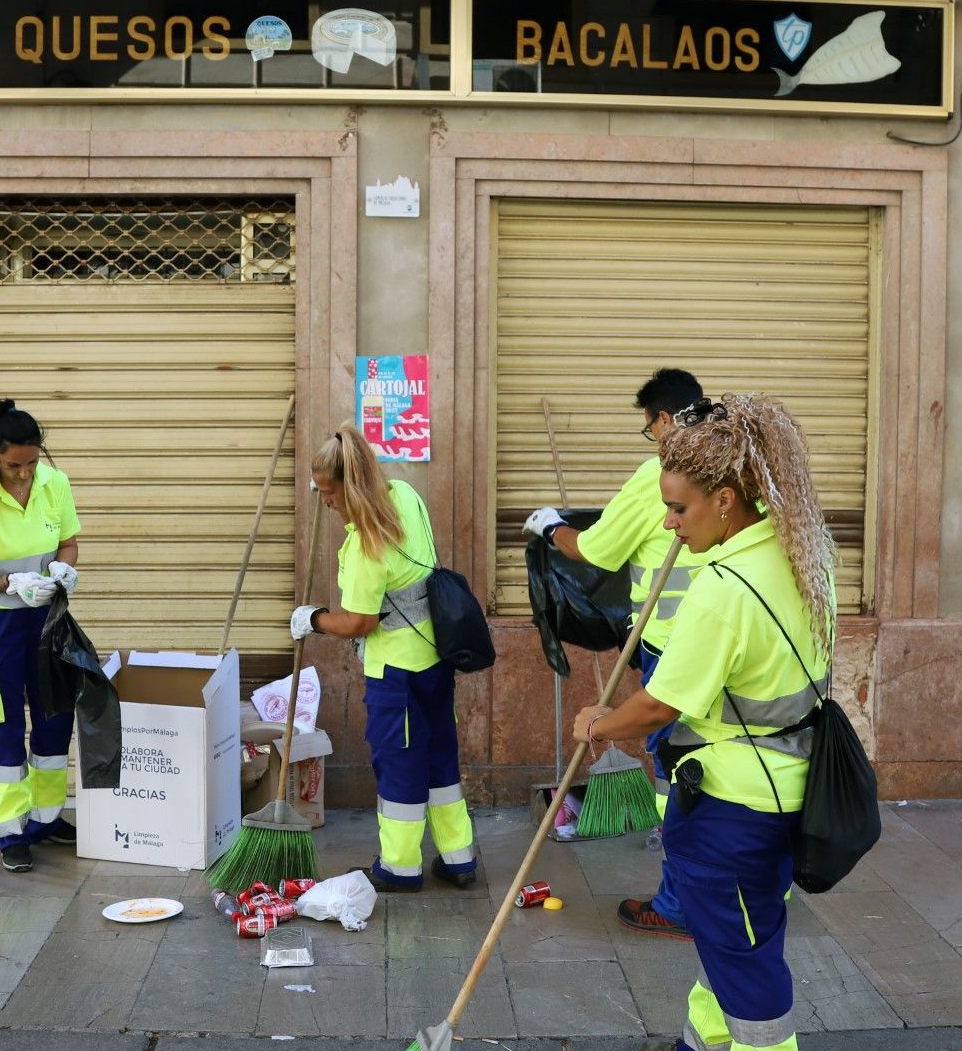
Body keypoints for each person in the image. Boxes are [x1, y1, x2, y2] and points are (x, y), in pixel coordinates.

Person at [573, 393, 836, 1051]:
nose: (668, 525)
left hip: (737, 801)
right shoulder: (802, 546)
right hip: (790, 783)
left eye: (679, 509)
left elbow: (658, 703)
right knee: (736, 931)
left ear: (726, 499)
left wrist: (597, 722)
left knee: (746, 951)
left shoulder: (722, 591)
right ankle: (705, 1045)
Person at [523, 367, 706, 939]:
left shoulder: (663, 473)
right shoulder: (739, 467)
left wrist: (552, 528)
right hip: (741, 649)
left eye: (650, 426)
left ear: (666, 419)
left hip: (675, 649)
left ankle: (677, 904)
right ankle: (752, 892)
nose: (652, 438)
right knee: (727, 774)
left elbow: (598, 550)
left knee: (684, 768)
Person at [293, 423, 478, 892]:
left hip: (395, 674)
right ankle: (460, 859)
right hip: (437, 660)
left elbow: (359, 622)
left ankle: (399, 866)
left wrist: (313, 619)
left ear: (350, 486)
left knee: (398, 764)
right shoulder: (407, 497)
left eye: (330, 493)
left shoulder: (365, 547)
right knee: (440, 758)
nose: (326, 502)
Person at [0, 399, 83, 873]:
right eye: (14, 465)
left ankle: (46, 820)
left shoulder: (56, 483)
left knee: (53, 717)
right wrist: (10, 583)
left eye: (31, 463)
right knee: (3, 728)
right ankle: (12, 832)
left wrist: (64, 568)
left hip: (46, 619)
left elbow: (68, 539)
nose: (25, 474)